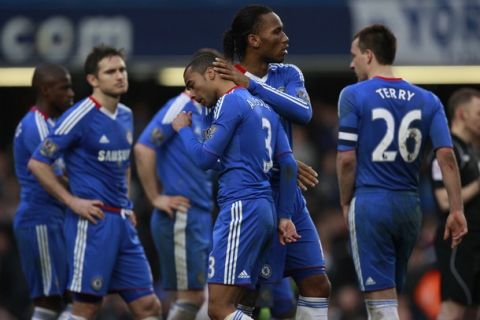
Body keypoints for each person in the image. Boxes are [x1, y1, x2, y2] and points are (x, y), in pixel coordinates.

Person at [336, 24, 468, 320]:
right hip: (410, 207)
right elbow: (447, 157)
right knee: (392, 296)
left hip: (371, 202)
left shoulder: (353, 95)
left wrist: (345, 201)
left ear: (368, 55)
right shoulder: (428, 100)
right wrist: (456, 209)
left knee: (380, 304)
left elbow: (346, 160)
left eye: (354, 55)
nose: (351, 62)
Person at [212, 5, 330, 318]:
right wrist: (277, 162)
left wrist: (252, 83)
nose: (286, 38)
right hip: (253, 194)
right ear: (253, 39)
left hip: (288, 195)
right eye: (276, 31)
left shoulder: (288, 74)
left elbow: (302, 113)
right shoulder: (225, 80)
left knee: (317, 283)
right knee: (247, 295)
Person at [27, 45, 162, 319]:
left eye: (122, 69)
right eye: (110, 71)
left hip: (123, 222)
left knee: (149, 306)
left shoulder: (125, 115)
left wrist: (128, 204)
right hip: (92, 226)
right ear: (93, 80)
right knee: (87, 307)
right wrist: (71, 201)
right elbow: (38, 162)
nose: (119, 76)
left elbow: (123, 163)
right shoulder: (79, 115)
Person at [172, 50, 299, 320]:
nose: (191, 94)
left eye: (191, 84)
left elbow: (205, 158)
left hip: (241, 209)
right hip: (265, 210)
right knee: (242, 305)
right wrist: (285, 215)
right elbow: (288, 165)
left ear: (211, 73)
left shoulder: (230, 103)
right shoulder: (265, 107)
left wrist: (182, 128)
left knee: (218, 308)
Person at [134, 88, 213, 320]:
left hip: (199, 212)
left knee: (198, 297)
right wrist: (155, 197)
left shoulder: (208, 111)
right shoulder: (181, 105)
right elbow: (143, 148)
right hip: (182, 214)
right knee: (192, 298)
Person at [13, 63, 74, 319]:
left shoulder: (52, 123)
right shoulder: (36, 126)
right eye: (65, 87)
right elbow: (60, 179)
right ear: (46, 90)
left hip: (54, 218)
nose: (71, 93)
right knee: (50, 302)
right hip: (40, 220)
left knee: (68, 298)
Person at [429, 88, 480, 319]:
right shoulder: (447, 151)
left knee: (472, 310)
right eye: (478, 114)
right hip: (456, 243)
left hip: (476, 242)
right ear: (462, 114)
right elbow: (442, 200)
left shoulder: (473, 150)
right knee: (453, 306)